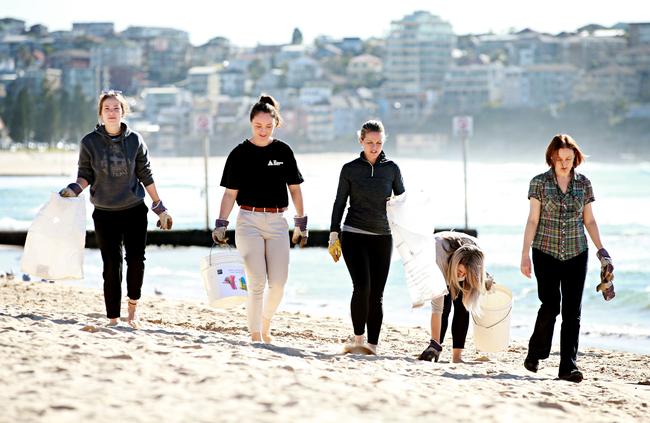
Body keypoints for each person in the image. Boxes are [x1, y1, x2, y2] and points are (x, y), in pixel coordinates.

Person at [60, 89, 172, 329]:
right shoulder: (89, 142)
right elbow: (85, 175)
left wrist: (159, 207)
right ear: (101, 113)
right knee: (111, 264)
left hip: (133, 210)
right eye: (107, 109)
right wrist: (73, 189)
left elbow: (146, 175)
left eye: (116, 108)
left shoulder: (135, 140)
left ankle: (132, 311)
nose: (112, 112)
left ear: (123, 111)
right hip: (104, 212)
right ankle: (113, 317)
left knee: (136, 260)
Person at [212, 94, 307, 344]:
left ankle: (265, 323)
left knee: (278, 284)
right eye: (258, 126)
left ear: (275, 123)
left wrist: (301, 221)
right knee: (256, 281)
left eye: (268, 126)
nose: (263, 131)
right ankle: (255, 335)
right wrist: (221, 223)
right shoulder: (239, 154)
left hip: (278, 223)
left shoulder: (283, 151)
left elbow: (295, 189)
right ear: (251, 123)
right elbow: (230, 194)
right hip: (248, 221)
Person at [520, 134, 614, 383]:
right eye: (560, 158)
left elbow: (589, 220)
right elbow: (532, 220)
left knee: (572, 312)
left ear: (576, 159)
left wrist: (601, 251)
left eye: (569, 159)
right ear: (552, 158)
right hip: (545, 251)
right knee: (550, 305)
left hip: (576, 252)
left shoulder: (584, 184)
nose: (564, 163)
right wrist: (524, 255)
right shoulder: (539, 183)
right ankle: (536, 352)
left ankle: (568, 367)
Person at [328, 120, 405, 355]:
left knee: (377, 294)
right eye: (370, 142)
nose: (374, 147)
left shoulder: (391, 168)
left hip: (383, 236)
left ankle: (372, 345)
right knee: (362, 286)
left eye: (379, 143)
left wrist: (409, 236)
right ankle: (358, 338)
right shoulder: (350, 169)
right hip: (354, 234)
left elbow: (402, 203)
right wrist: (334, 233)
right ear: (361, 141)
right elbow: (340, 202)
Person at [417, 231, 493, 363]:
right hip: (442, 258)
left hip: (466, 254)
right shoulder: (437, 259)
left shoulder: (476, 256)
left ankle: (457, 357)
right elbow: (437, 310)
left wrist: (486, 281)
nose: (461, 275)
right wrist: (434, 342)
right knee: (444, 308)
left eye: (465, 274)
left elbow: (478, 275)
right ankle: (435, 347)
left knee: (462, 308)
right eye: (460, 272)